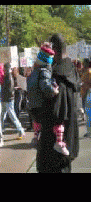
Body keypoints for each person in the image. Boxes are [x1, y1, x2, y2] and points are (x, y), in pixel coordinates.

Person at [36, 33, 80, 173]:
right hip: (69, 134)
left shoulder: (55, 76)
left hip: (53, 136)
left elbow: (54, 109)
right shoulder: (72, 71)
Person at [27, 43, 68, 155]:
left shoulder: (33, 73)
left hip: (32, 106)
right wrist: (54, 91)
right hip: (41, 105)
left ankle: (36, 136)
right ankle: (59, 142)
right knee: (57, 119)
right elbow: (45, 86)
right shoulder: (44, 71)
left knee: (37, 122)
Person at [1, 62, 25, 139]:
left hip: (8, 99)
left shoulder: (8, 76)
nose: (3, 69)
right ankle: (0, 130)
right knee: (2, 115)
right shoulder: (8, 76)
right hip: (7, 99)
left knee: (12, 115)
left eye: (4, 68)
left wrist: (3, 94)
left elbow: (8, 89)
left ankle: (20, 130)